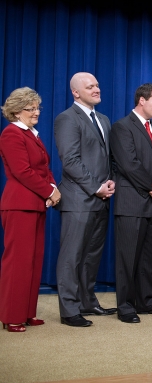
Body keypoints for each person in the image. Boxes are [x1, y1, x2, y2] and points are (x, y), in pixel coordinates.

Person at [110, 83, 152, 323]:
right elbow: (129, 165)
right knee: (128, 258)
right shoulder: (121, 127)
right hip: (132, 203)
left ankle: (148, 301)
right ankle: (126, 306)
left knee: (151, 257)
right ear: (142, 100)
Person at [54, 72, 116, 328]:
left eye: (97, 85)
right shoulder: (67, 119)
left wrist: (110, 181)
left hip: (102, 198)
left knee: (92, 255)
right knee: (72, 256)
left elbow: (106, 157)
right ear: (75, 92)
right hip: (79, 199)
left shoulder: (103, 119)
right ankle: (69, 310)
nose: (96, 89)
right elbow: (70, 161)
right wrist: (96, 187)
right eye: (90, 86)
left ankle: (87, 301)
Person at [0, 87, 60, 332]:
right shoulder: (11, 134)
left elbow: (44, 167)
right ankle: (11, 316)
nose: (36, 112)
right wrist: (50, 191)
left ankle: (26, 312)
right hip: (19, 205)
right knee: (18, 262)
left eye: (37, 108)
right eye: (31, 108)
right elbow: (21, 171)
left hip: (36, 205)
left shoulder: (32, 134)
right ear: (16, 111)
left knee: (33, 261)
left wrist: (53, 184)